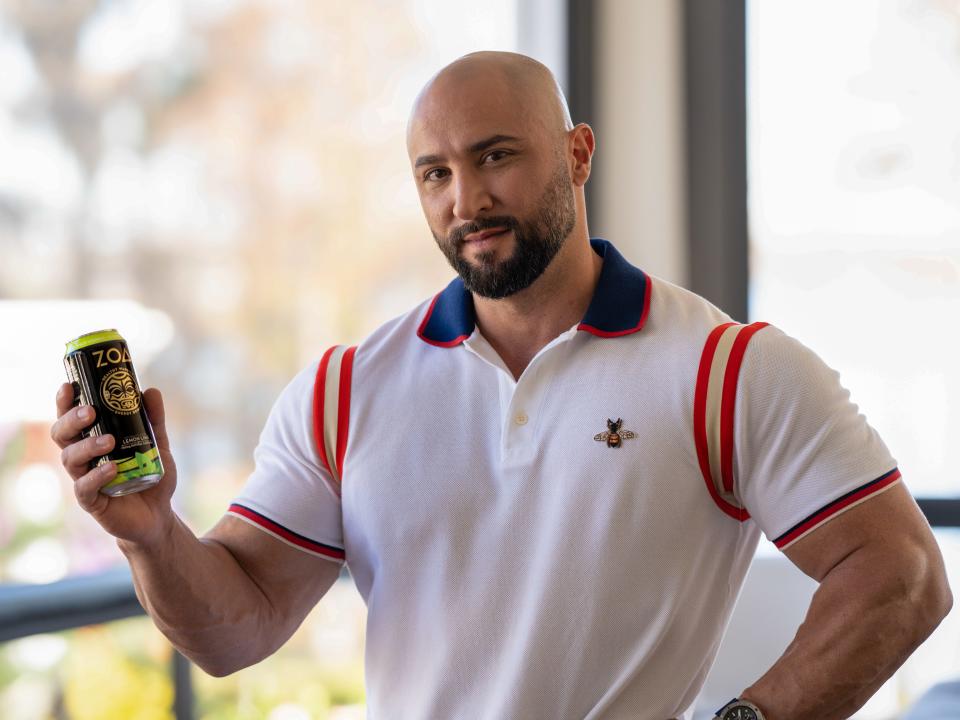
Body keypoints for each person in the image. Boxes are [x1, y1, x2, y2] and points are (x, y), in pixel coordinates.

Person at [51, 51, 951, 720]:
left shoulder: (726, 370)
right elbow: (231, 633)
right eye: (435, 173)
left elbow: (903, 576)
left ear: (579, 153)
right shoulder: (344, 391)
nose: (465, 200)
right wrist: (151, 535)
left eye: (495, 157)